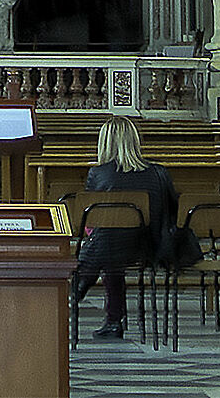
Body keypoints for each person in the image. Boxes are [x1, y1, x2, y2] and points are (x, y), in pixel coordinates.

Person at [73, 115, 178, 341]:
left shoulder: (99, 173)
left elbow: (92, 219)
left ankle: (79, 288)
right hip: (148, 248)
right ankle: (109, 317)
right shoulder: (157, 172)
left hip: (110, 249)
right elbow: (170, 212)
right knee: (110, 240)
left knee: (106, 239)